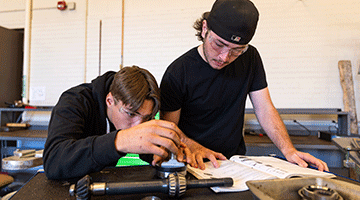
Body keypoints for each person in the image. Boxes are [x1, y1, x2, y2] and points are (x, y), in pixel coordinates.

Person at [159, 0, 329, 171]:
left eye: (236, 50)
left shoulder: (250, 58)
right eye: (218, 44)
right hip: (194, 163)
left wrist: (289, 150)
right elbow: (169, 129)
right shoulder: (178, 72)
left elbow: (264, 108)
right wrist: (192, 147)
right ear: (205, 29)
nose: (224, 57)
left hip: (233, 163)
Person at [43, 65, 194, 180]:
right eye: (131, 114)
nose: (138, 126)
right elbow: (54, 161)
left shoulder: (136, 117)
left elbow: (146, 145)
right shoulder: (74, 101)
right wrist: (119, 140)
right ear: (110, 100)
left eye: (147, 118)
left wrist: (164, 153)